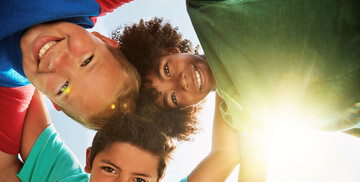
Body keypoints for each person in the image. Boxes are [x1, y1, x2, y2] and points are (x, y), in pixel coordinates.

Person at [0, 89, 267, 182]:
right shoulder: (58, 181)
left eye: (140, 180)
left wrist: (224, 78)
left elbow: (225, 155)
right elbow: (26, 78)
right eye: (110, 169)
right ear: (90, 159)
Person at [118, 0, 360, 139]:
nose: (180, 82)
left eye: (167, 71)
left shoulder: (204, 8)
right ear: (185, 108)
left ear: (170, 51)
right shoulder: (238, 116)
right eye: (172, 98)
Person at [0, 0, 140, 160]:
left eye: (63, 88)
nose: (58, 61)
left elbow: (4, 168)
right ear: (105, 40)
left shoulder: (9, 89)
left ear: (52, 101)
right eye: (87, 60)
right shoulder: (88, 4)